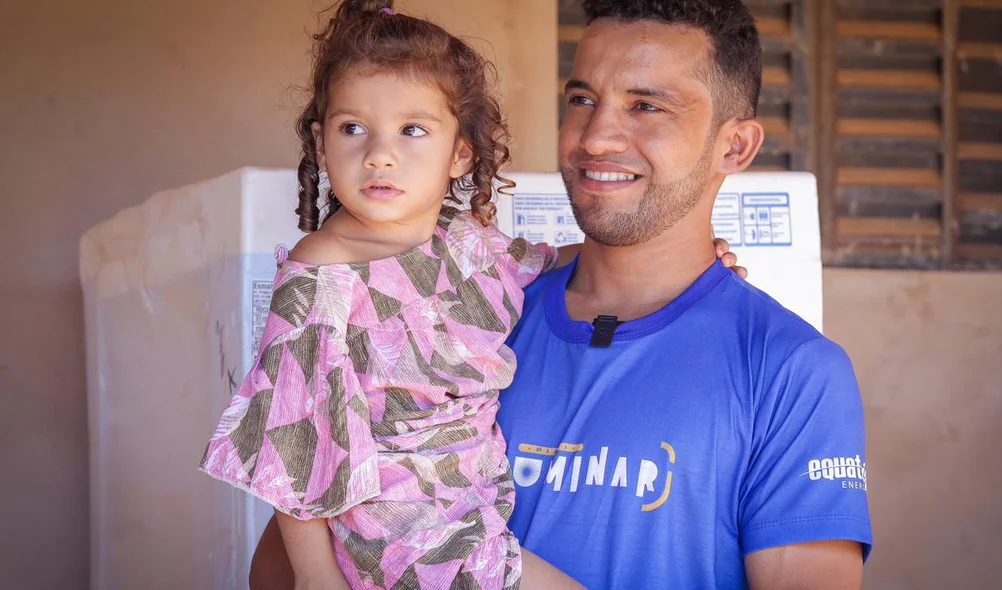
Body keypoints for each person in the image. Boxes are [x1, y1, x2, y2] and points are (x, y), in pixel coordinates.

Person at [200, 1, 747, 589]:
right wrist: (314, 577)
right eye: (352, 127)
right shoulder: (324, 271)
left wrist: (682, 264)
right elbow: (294, 430)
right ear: (321, 140)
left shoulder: (465, 246)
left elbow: (547, 262)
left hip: (472, 512)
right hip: (403, 530)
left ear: (460, 151)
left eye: (412, 130)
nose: (379, 153)